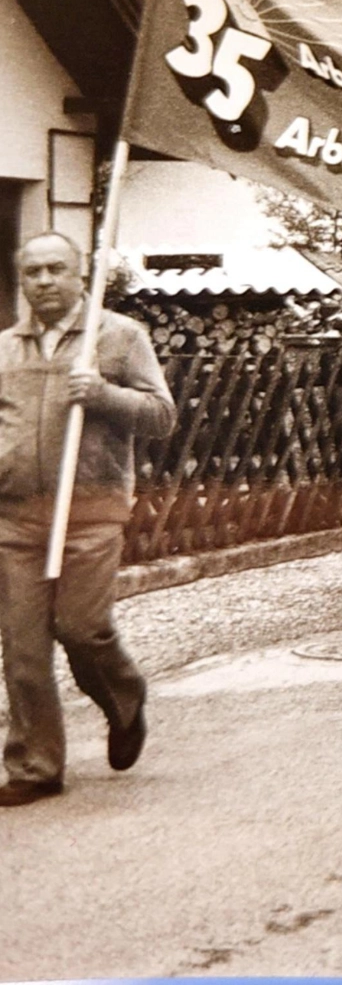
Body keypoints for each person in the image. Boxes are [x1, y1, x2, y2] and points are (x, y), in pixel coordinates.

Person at [0, 233, 176, 806]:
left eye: (56, 269)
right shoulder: (4, 349)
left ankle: (125, 699)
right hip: (17, 517)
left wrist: (102, 394)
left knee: (81, 628)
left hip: (91, 512)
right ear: (21, 281)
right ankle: (35, 766)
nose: (44, 281)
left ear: (80, 275)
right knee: (23, 648)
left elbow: (161, 417)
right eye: (33, 272)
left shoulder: (119, 337)